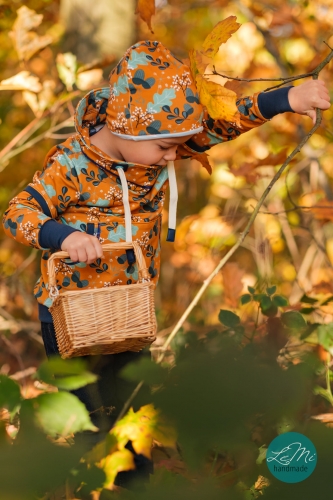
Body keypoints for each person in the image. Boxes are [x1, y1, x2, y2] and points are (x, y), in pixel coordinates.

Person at [1, 40, 330, 489]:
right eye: (166, 147)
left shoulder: (154, 145)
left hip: (128, 309)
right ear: (127, 131)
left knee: (134, 407)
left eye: (178, 146)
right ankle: (87, 481)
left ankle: (137, 487)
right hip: (72, 314)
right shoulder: (71, 165)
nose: (176, 156)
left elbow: (224, 122)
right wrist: (66, 235)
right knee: (88, 411)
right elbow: (18, 212)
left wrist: (287, 99)